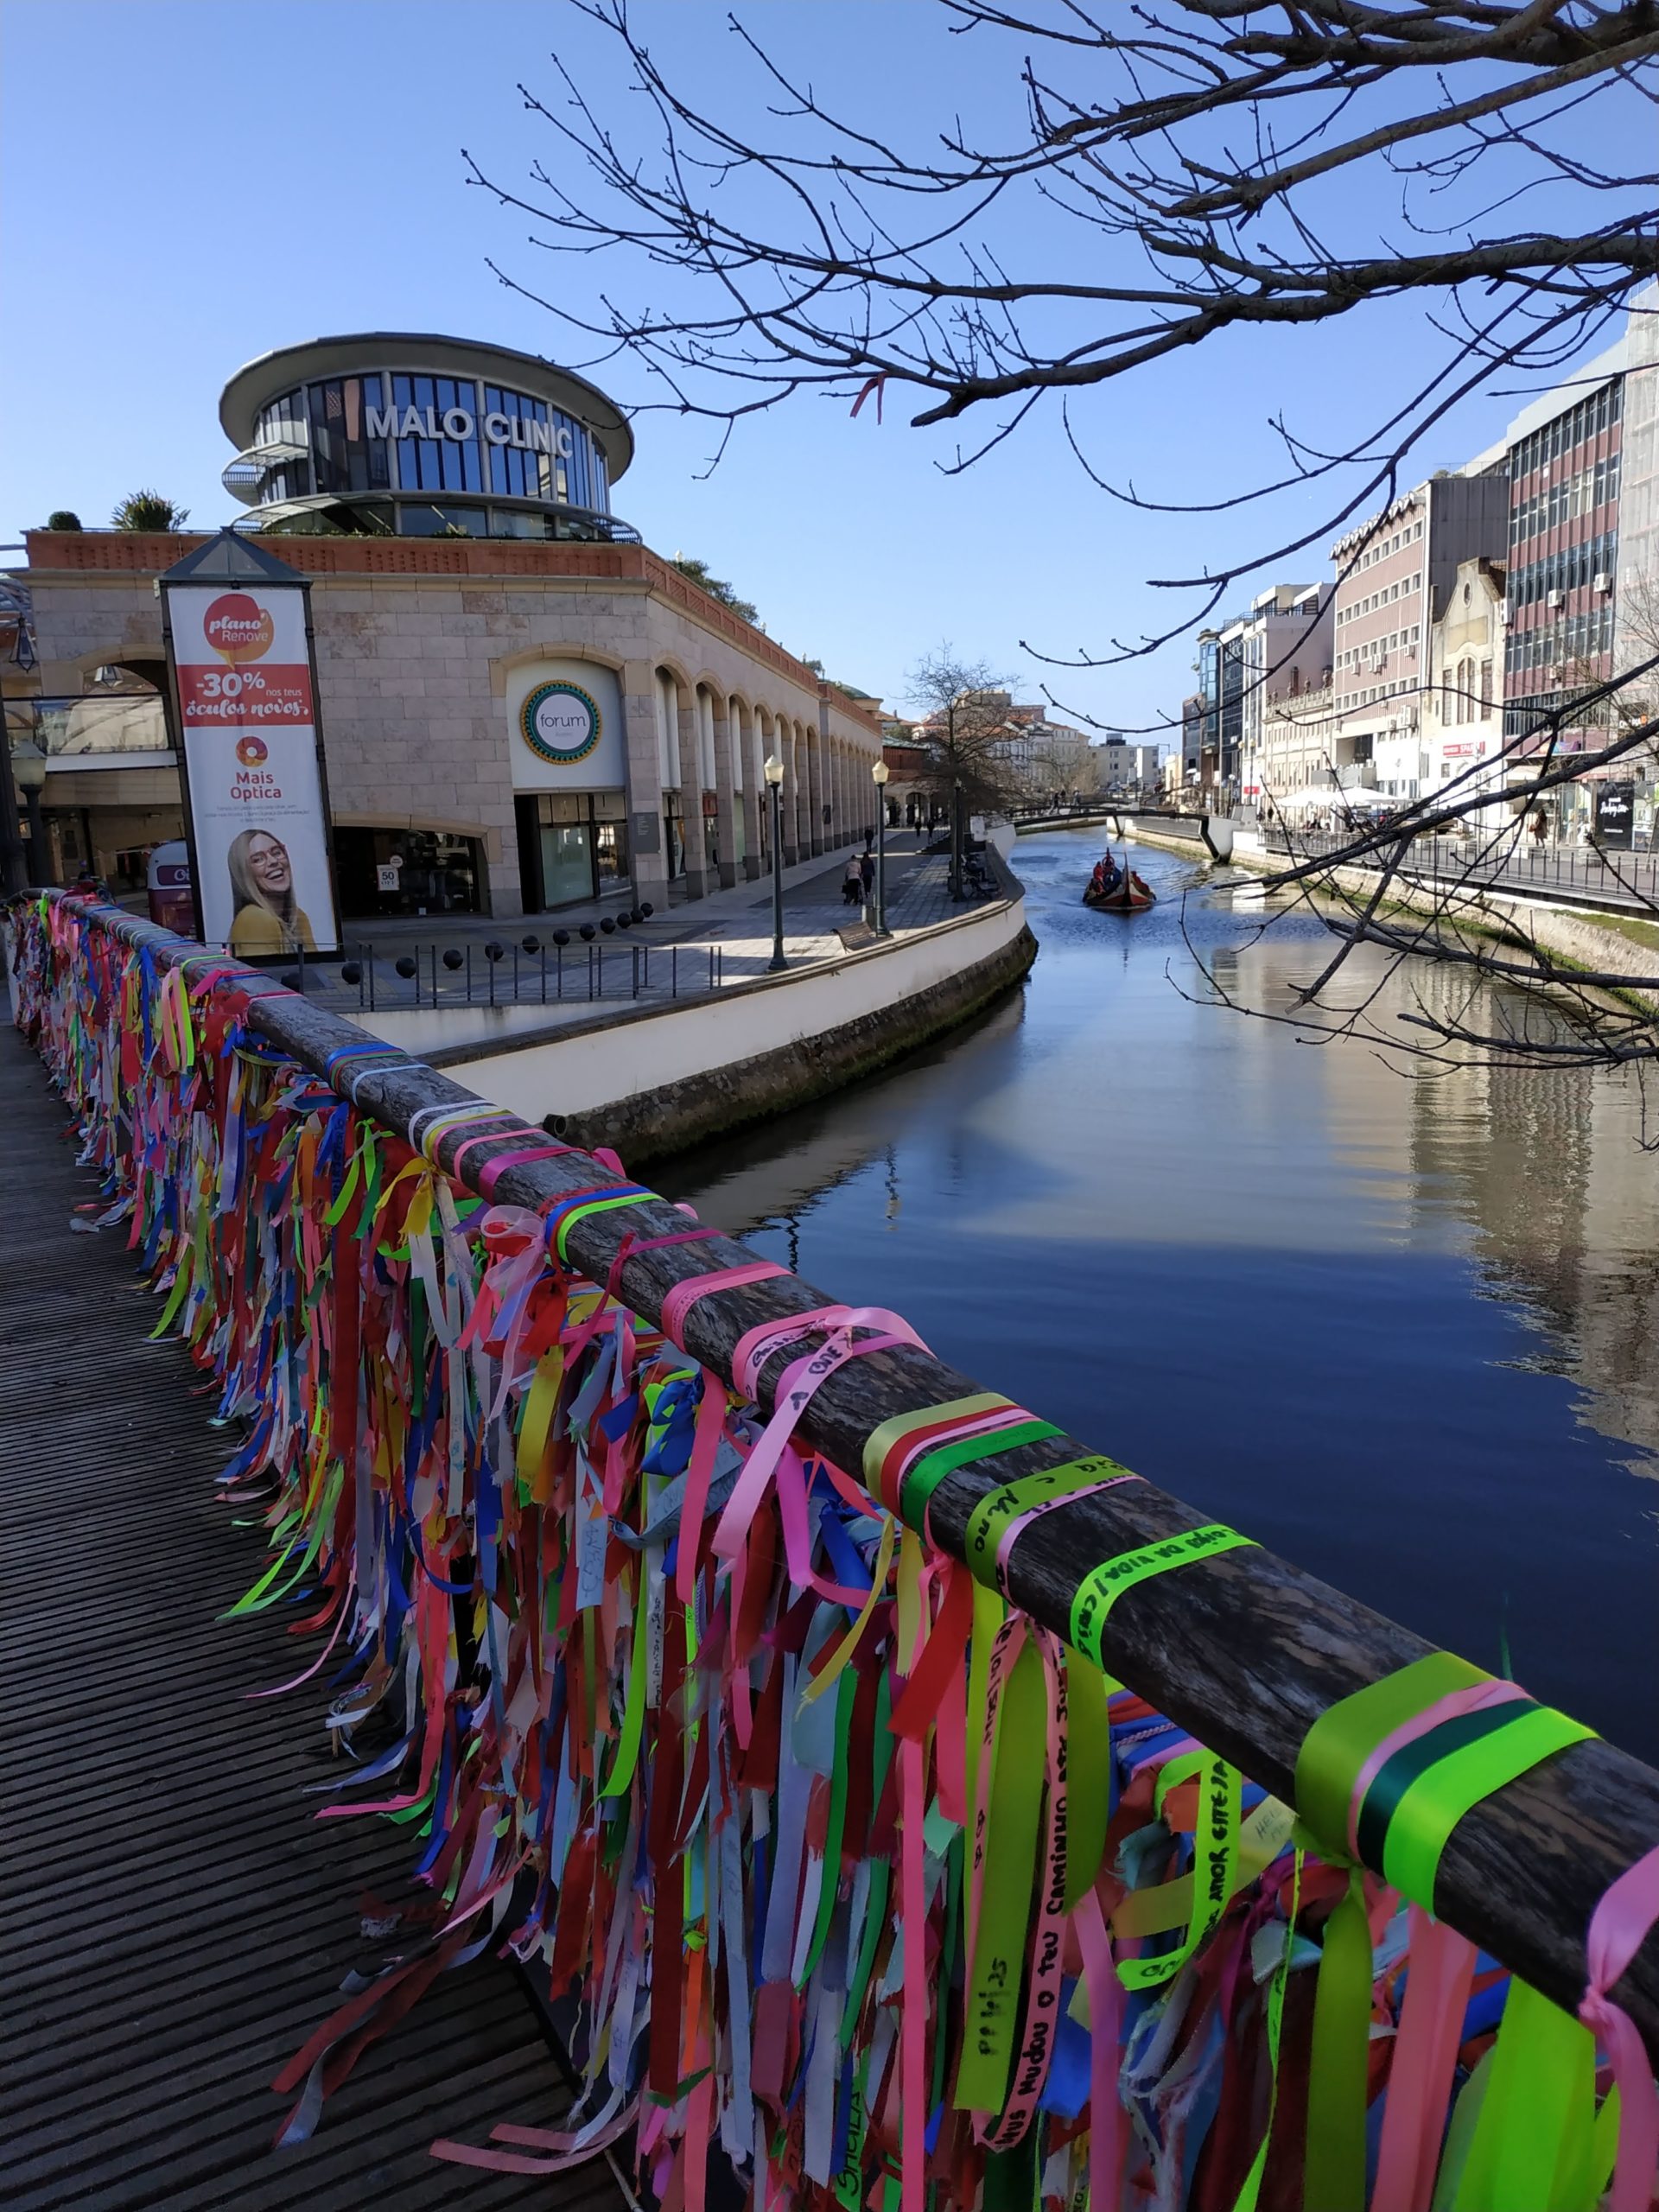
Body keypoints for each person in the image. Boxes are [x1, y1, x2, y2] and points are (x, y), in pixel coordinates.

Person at [227, 827, 316, 956]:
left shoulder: (298, 917)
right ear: (244, 873)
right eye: (258, 859)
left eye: (277, 852)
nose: (273, 861)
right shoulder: (255, 919)